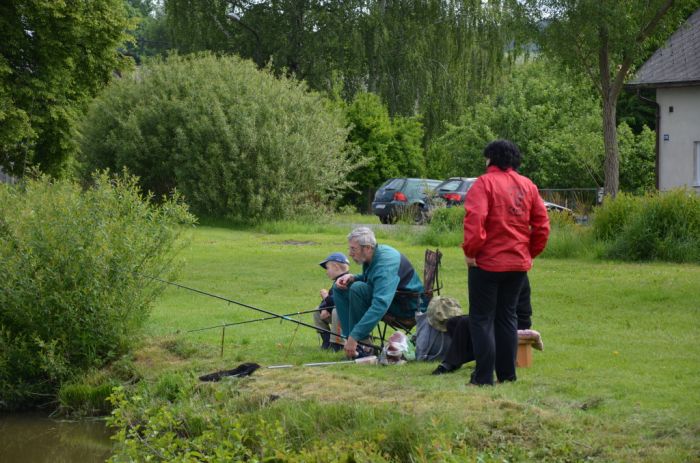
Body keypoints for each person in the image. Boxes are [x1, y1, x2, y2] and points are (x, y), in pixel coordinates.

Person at [463, 140, 550, 386]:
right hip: (517, 264)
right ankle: (508, 375)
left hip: (487, 263)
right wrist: (529, 253)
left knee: (481, 319)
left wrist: (471, 251)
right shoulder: (528, 186)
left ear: (491, 158)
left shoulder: (485, 183)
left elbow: (475, 219)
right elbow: (542, 225)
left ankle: (482, 377)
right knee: (507, 318)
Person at [334, 227, 424, 358]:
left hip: (407, 308)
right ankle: (354, 343)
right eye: (350, 249)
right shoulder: (375, 254)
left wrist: (356, 335)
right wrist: (353, 277)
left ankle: (361, 344)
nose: (350, 253)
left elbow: (380, 304)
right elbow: (374, 278)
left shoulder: (385, 265)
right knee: (340, 287)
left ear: (368, 248)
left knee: (358, 289)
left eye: (354, 249)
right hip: (394, 298)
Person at [432, 275, 541, 375]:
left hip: (513, 319)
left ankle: (451, 363)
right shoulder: (496, 272)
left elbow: (500, 305)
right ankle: (474, 357)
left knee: (466, 322)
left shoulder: (512, 274)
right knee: (453, 322)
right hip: (498, 315)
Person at [313, 252, 350, 352]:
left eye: (327, 268)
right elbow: (329, 300)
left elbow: (339, 301)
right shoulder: (336, 282)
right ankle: (327, 340)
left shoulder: (346, 281)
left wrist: (326, 297)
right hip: (341, 318)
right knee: (317, 310)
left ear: (336, 267)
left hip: (351, 318)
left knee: (336, 311)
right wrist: (324, 308)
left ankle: (338, 344)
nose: (326, 272)